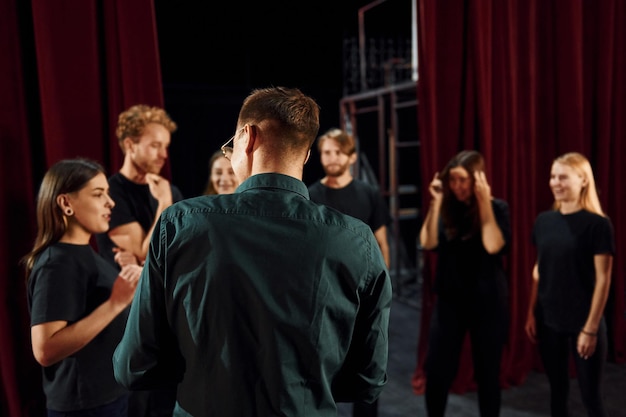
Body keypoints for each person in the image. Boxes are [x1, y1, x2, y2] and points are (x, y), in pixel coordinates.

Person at [112, 86, 392, 417]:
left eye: (230, 147)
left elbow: (134, 365)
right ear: (304, 154)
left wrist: (202, 375)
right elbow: (368, 380)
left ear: (247, 137)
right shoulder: (356, 239)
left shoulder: (180, 223)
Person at [22, 158, 141, 416]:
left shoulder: (85, 254)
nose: (110, 203)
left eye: (108, 194)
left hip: (109, 396)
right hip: (85, 406)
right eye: (98, 194)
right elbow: (45, 350)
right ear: (66, 203)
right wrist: (115, 303)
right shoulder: (57, 263)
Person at [95, 104, 181, 416]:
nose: (163, 155)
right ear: (130, 145)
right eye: (155, 145)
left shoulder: (168, 189)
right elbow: (144, 254)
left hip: (168, 316)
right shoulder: (110, 191)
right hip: (130, 316)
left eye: (166, 146)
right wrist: (163, 207)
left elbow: (176, 252)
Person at [419, 150, 510, 417]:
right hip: (450, 302)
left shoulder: (497, 209)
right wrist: (435, 202)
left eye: (464, 180)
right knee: (436, 371)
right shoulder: (446, 208)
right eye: (454, 180)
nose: (457, 186)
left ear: (477, 179)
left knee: (487, 374)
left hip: (488, 303)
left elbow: (493, 245)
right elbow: (427, 242)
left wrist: (483, 201)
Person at [308, 127, 391, 417]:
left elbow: (381, 241)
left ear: (351, 157)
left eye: (337, 152)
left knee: (365, 365)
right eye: (326, 152)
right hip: (322, 295)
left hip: (363, 292)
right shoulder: (310, 194)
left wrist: (383, 288)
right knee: (321, 367)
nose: (331, 158)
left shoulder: (368, 194)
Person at [525, 152, 614, 417]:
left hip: (583, 322)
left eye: (563, 177)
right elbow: (539, 270)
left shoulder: (598, 225)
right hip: (549, 319)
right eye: (553, 176)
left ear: (583, 180)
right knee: (557, 394)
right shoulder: (544, 221)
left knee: (590, 398)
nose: (555, 182)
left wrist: (590, 329)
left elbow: (603, 279)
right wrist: (531, 311)